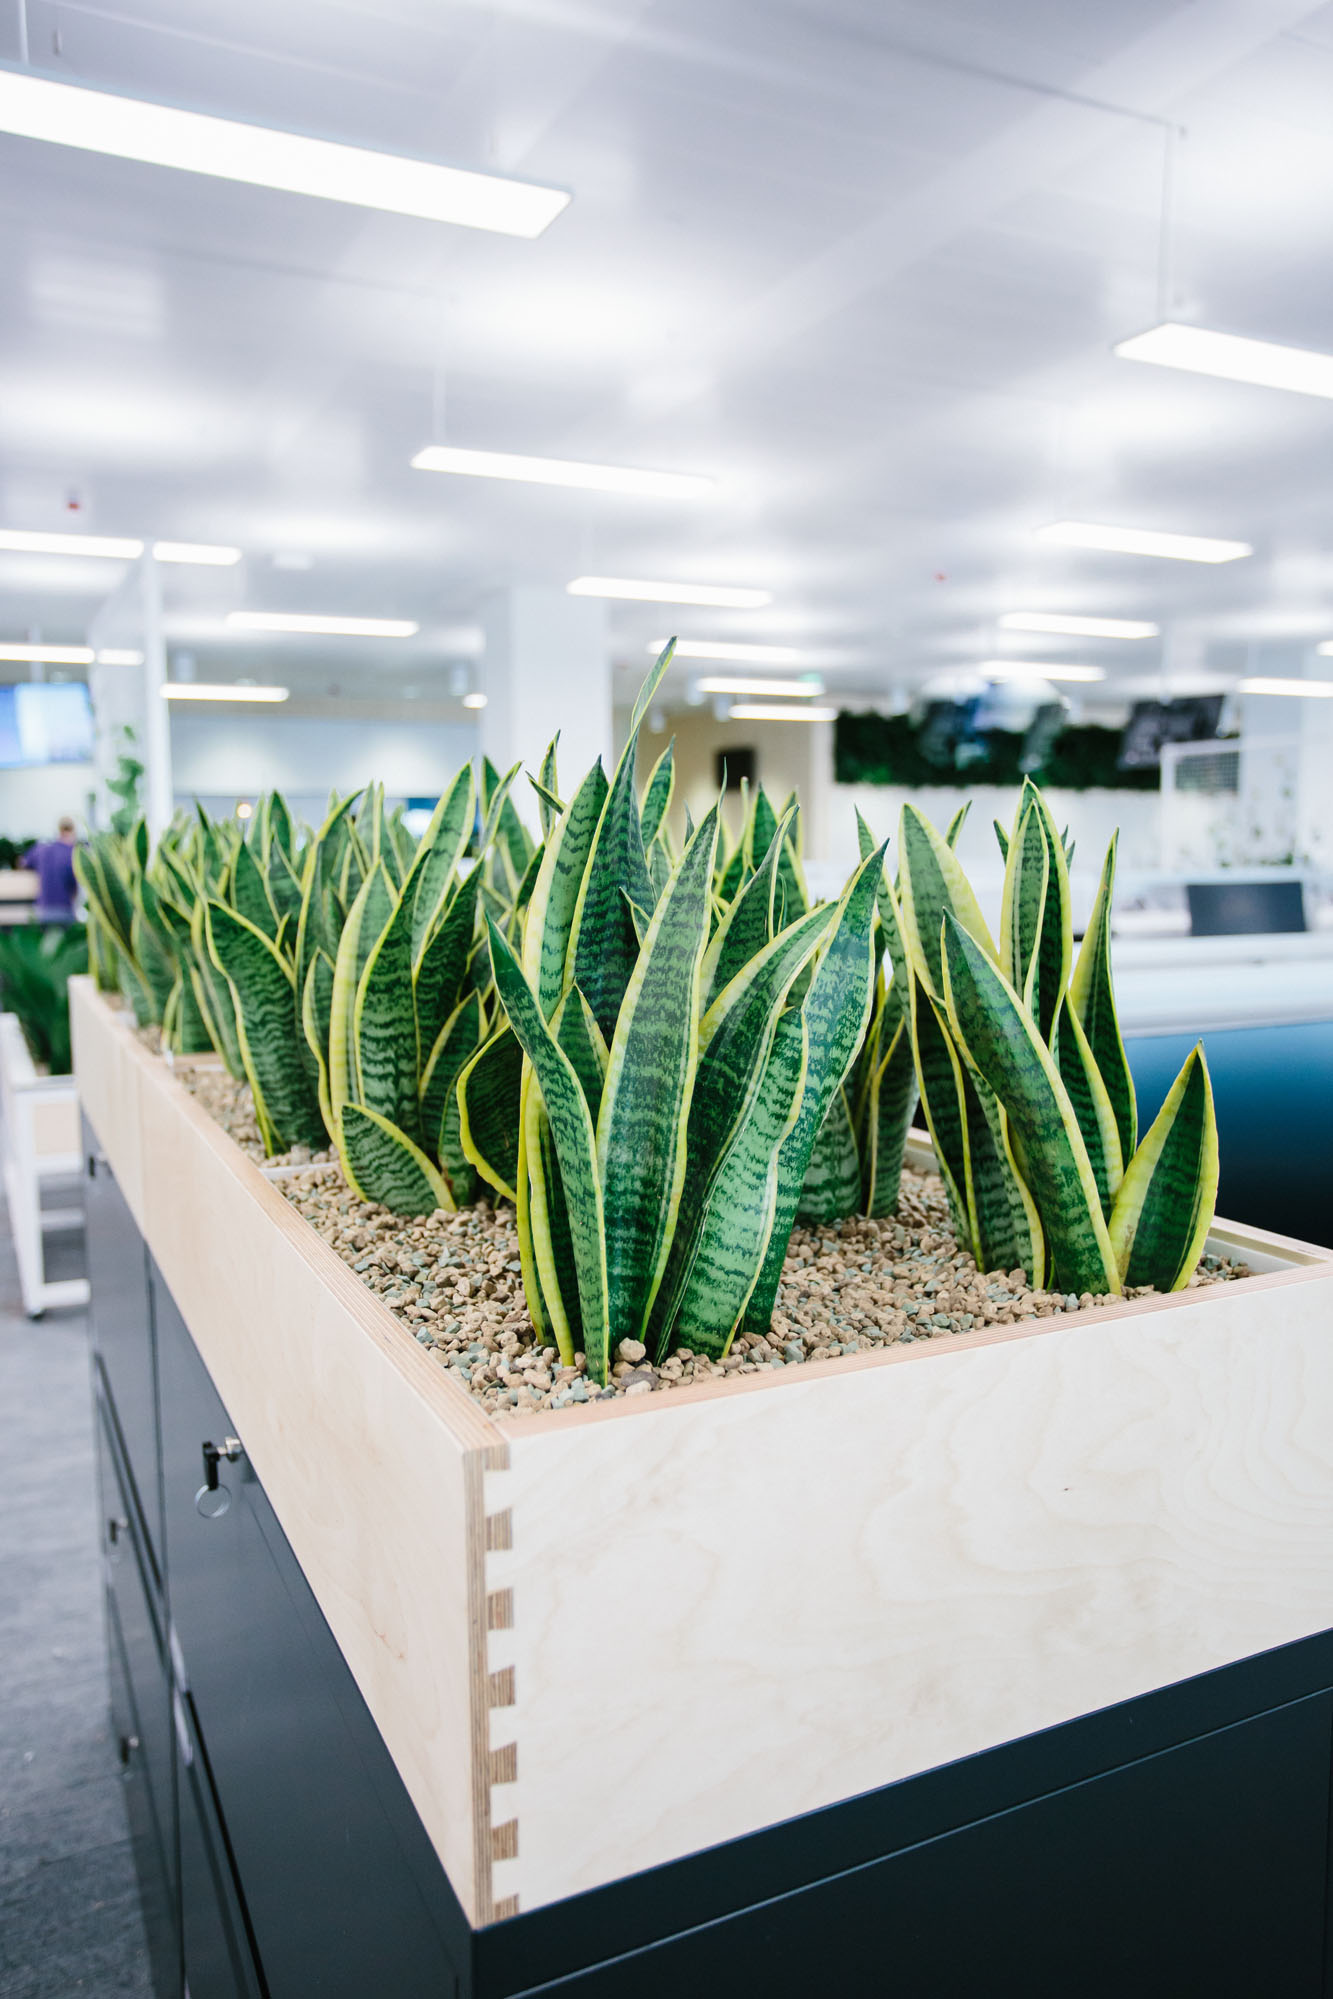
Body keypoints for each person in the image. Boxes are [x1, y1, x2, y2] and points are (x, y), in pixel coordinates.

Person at [22, 817, 79, 925]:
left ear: (58, 830)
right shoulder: (72, 852)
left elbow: (23, 863)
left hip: (42, 911)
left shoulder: (41, 849)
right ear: (72, 831)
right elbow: (74, 888)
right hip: (64, 911)